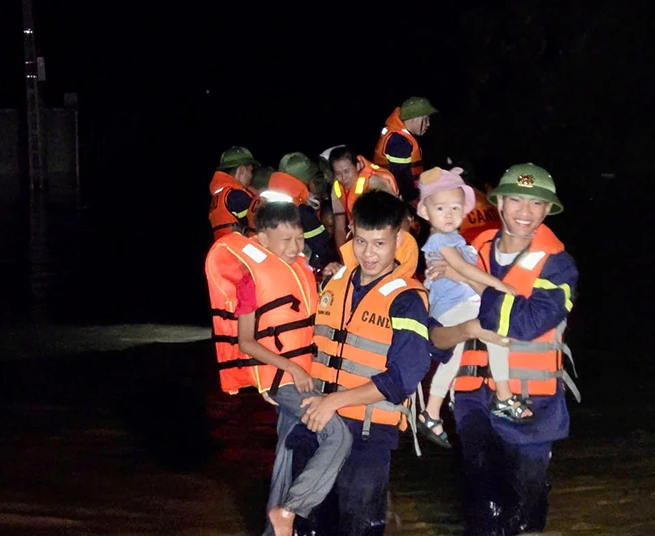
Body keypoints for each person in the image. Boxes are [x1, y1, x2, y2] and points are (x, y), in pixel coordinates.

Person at [428, 163, 580, 535]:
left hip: (532, 403)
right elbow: (434, 334)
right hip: (471, 399)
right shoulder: (467, 248)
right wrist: (459, 328)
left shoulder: (559, 265)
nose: (525, 212)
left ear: (549, 210)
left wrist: (472, 282)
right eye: (515, 199)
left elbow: (527, 322)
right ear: (498, 201)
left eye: (536, 204)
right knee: (484, 506)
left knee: (526, 515)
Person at [204, 200, 351, 536]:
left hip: (303, 373)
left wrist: (325, 280)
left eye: (298, 239)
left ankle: (274, 529)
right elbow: (245, 341)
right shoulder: (251, 281)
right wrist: (293, 370)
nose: (295, 247)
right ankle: (291, 509)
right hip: (284, 379)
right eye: (285, 241)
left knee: (285, 455)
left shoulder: (301, 269)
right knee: (337, 436)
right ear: (263, 240)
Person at [290, 190, 432, 536]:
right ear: (352, 231)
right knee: (305, 525)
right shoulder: (333, 282)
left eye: (380, 243)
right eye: (362, 241)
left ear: (398, 239)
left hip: (367, 435)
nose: (369, 254)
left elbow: (402, 379)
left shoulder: (408, 300)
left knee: (359, 527)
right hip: (317, 424)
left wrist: (334, 401)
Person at [415, 167, 533, 451]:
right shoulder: (440, 241)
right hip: (454, 306)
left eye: (456, 207)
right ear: (425, 212)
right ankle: (504, 397)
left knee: (451, 362)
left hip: (456, 307)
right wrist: (498, 285)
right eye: (440, 207)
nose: (449, 213)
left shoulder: (455, 239)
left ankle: (430, 414)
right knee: (495, 335)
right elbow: (463, 268)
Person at [266, 152, 337, 270]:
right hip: (292, 270)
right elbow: (322, 247)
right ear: (305, 180)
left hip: (266, 265)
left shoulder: (263, 198)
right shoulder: (301, 210)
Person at [329, 146, 399, 250]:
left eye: (347, 171)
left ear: (357, 166)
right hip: (361, 236)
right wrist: (343, 257)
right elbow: (340, 228)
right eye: (338, 174)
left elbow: (394, 220)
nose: (343, 178)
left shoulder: (374, 183)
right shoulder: (337, 189)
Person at [373, 96, 438, 207]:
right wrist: (413, 199)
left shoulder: (400, 136)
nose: (428, 124)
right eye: (425, 119)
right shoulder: (399, 142)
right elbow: (400, 175)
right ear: (414, 118)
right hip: (395, 198)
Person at [208, 146, 260, 240]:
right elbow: (266, 221)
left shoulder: (219, 196)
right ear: (241, 171)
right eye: (251, 171)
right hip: (242, 251)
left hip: (227, 250)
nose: (251, 176)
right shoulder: (236, 196)